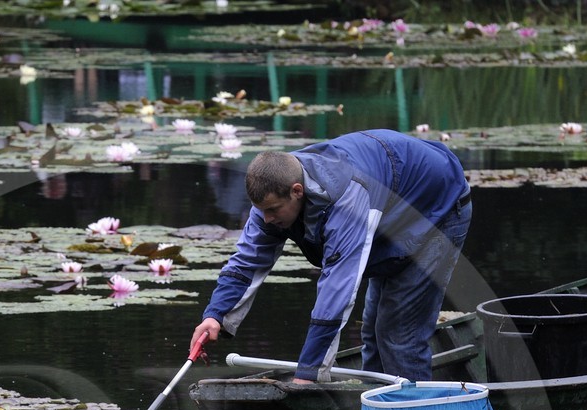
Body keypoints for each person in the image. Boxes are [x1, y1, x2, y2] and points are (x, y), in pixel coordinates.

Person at [189, 128, 472, 384]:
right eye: (261, 211)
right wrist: (215, 316)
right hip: (391, 210)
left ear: (296, 191)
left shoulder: (346, 199)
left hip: (437, 208)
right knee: (373, 335)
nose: (266, 218)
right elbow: (245, 263)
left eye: (273, 210)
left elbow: (338, 290)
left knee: (399, 336)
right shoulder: (271, 196)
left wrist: (307, 375)